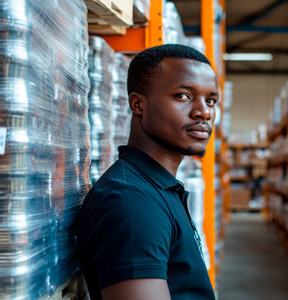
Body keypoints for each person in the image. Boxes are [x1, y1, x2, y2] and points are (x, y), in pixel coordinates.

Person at [77, 44, 218, 300]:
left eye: (211, 100)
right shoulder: (131, 202)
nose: (204, 112)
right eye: (183, 96)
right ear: (137, 104)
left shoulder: (156, 188)